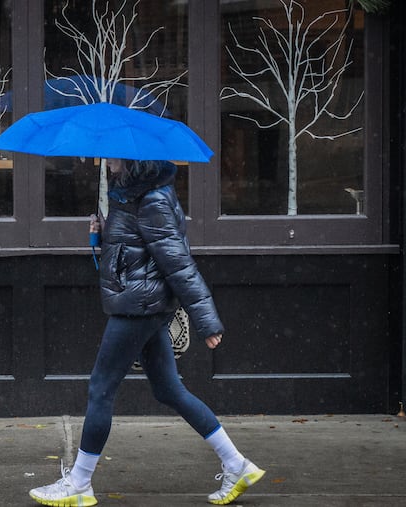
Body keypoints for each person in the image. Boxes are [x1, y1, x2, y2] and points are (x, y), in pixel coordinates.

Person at [29, 158, 265, 506]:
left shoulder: (152, 199)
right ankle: (236, 464)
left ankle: (79, 482)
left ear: (132, 160)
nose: (105, 161)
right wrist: (103, 232)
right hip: (143, 302)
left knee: (100, 387)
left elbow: (178, 262)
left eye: (112, 155)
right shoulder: (130, 194)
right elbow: (136, 248)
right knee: (169, 390)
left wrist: (206, 321)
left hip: (139, 306)